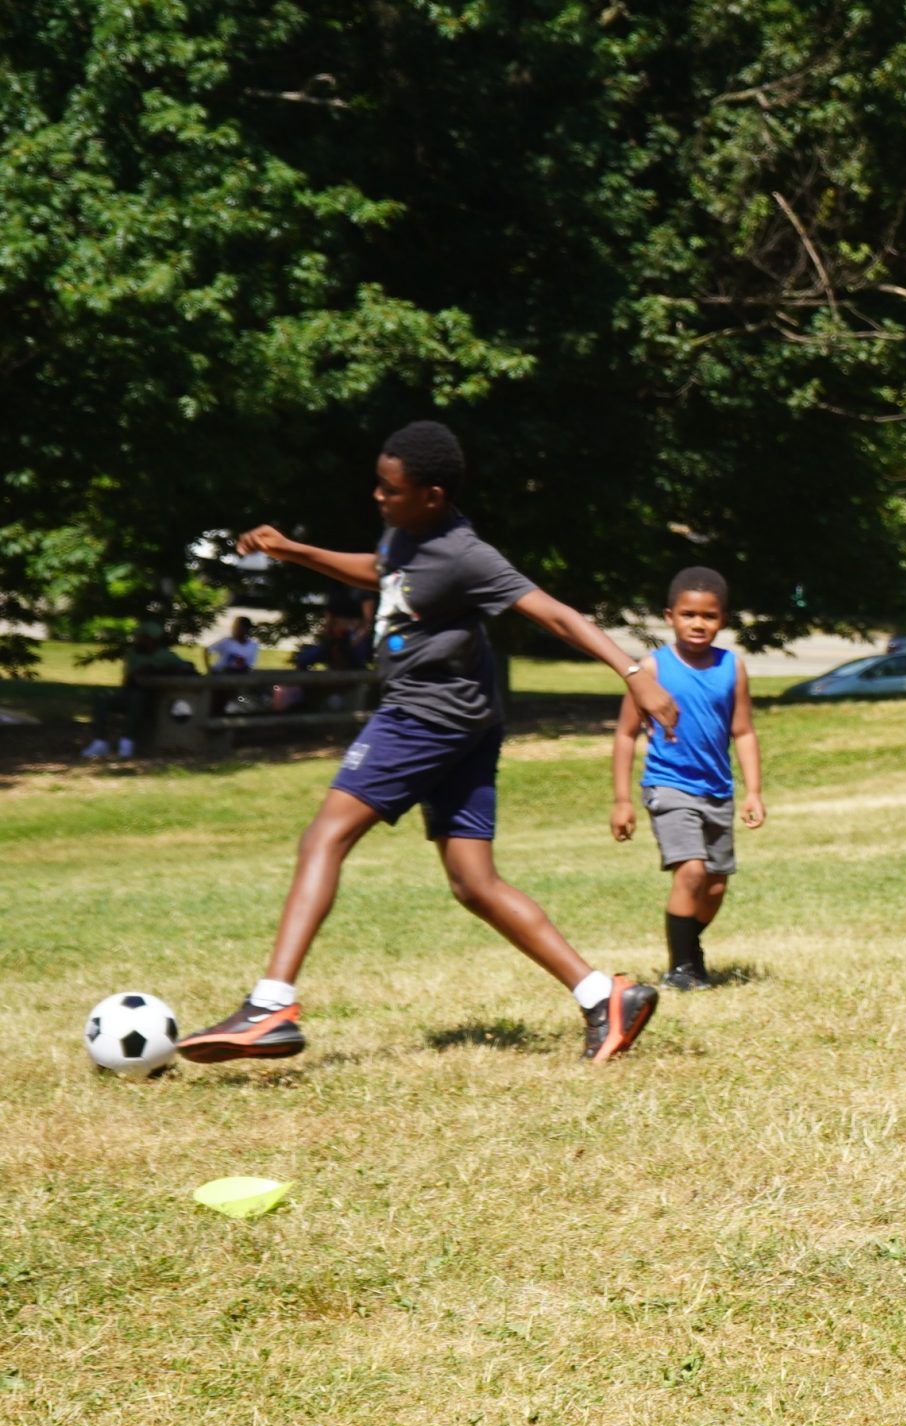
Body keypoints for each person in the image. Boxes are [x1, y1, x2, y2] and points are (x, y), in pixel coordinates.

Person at [178, 420, 679, 1066]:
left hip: (425, 715)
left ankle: (271, 1003)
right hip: (466, 720)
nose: (378, 497)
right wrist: (295, 551)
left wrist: (636, 674)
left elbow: (555, 612)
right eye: (380, 485)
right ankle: (603, 995)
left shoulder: (467, 554)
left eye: (392, 489)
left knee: (324, 835)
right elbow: (386, 573)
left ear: (433, 495)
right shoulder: (405, 532)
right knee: (474, 881)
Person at [612, 566, 766, 991]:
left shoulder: (732, 667)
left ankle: (689, 951)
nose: (698, 624)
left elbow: (744, 731)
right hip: (669, 785)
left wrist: (754, 791)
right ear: (669, 616)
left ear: (723, 620)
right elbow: (626, 735)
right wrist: (622, 800)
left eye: (709, 616)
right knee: (692, 873)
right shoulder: (652, 668)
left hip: (718, 790)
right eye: (688, 614)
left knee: (715, 887)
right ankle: (681, 968)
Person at [81, 621, 198, 759]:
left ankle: (127, 741)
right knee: (102, 695)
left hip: (153, 699)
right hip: (129, 692)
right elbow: (128, 679)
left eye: (142, 638)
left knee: (138, 697)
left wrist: (158, 670)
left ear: (152, 640)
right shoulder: (132, 655)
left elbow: (188, 667)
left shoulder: (166, 656)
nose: (138, 640)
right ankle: (100, 741)